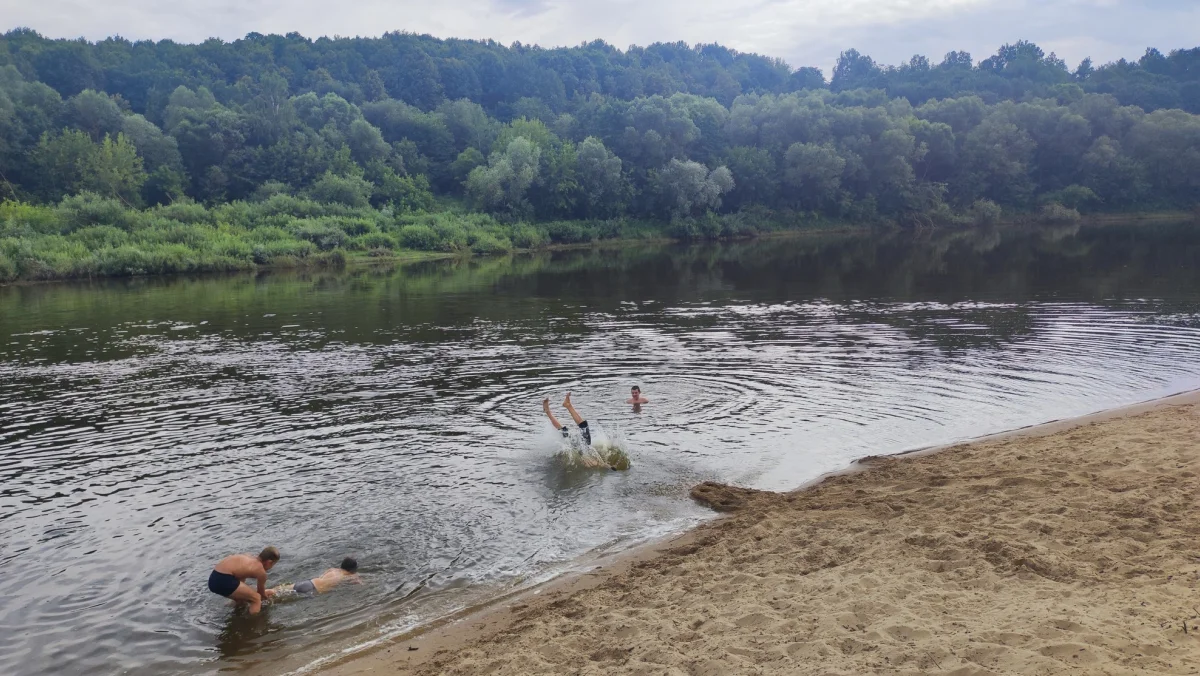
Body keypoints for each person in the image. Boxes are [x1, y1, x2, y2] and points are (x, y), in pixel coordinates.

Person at [208, 547, 280, 614]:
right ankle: (255, 622)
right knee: (256, 598)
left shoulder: (247, 557)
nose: (271, 567)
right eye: (273, 564)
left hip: (213, 579)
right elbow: (261, 594)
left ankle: (237, 614)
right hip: (224, 579)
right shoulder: (261, 572)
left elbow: (239, 580)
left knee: (241, 600)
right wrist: (269, 599)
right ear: (269, 562)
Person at [272, 557, 360, 598]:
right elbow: (360, 584)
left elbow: (322, 576)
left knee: (276, 590)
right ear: (353, 570)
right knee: (281, 598)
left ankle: (262, 592)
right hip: (312, 590)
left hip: (309, 582)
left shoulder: (332, 569)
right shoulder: (349, 575)